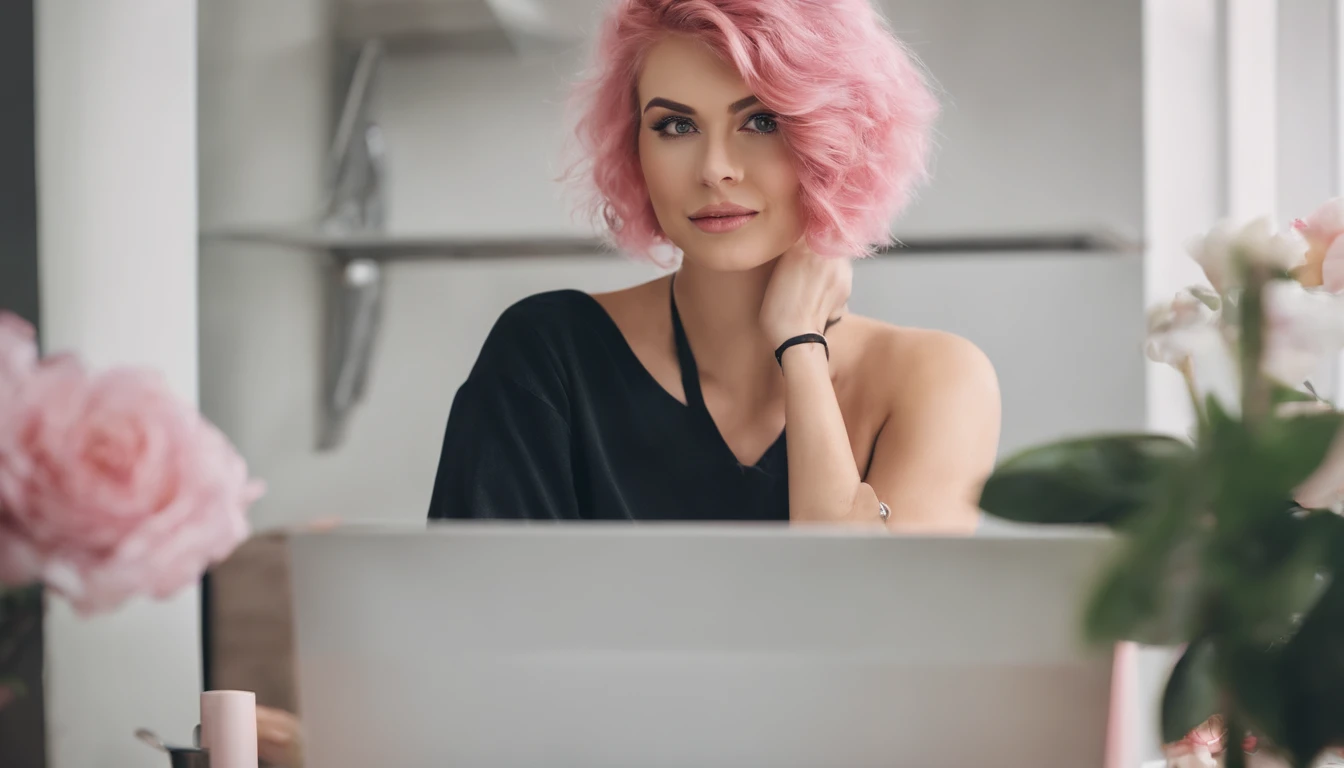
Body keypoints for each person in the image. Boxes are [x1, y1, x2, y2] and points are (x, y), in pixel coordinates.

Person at [428, 0, 1001, 530]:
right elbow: (473, 622)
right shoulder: (546, 356)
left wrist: (800, 347)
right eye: (676, 126)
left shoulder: (935, 381)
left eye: (761, 122)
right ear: (634, 148)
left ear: (839, 138)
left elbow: (873, 618)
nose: (715, 169)